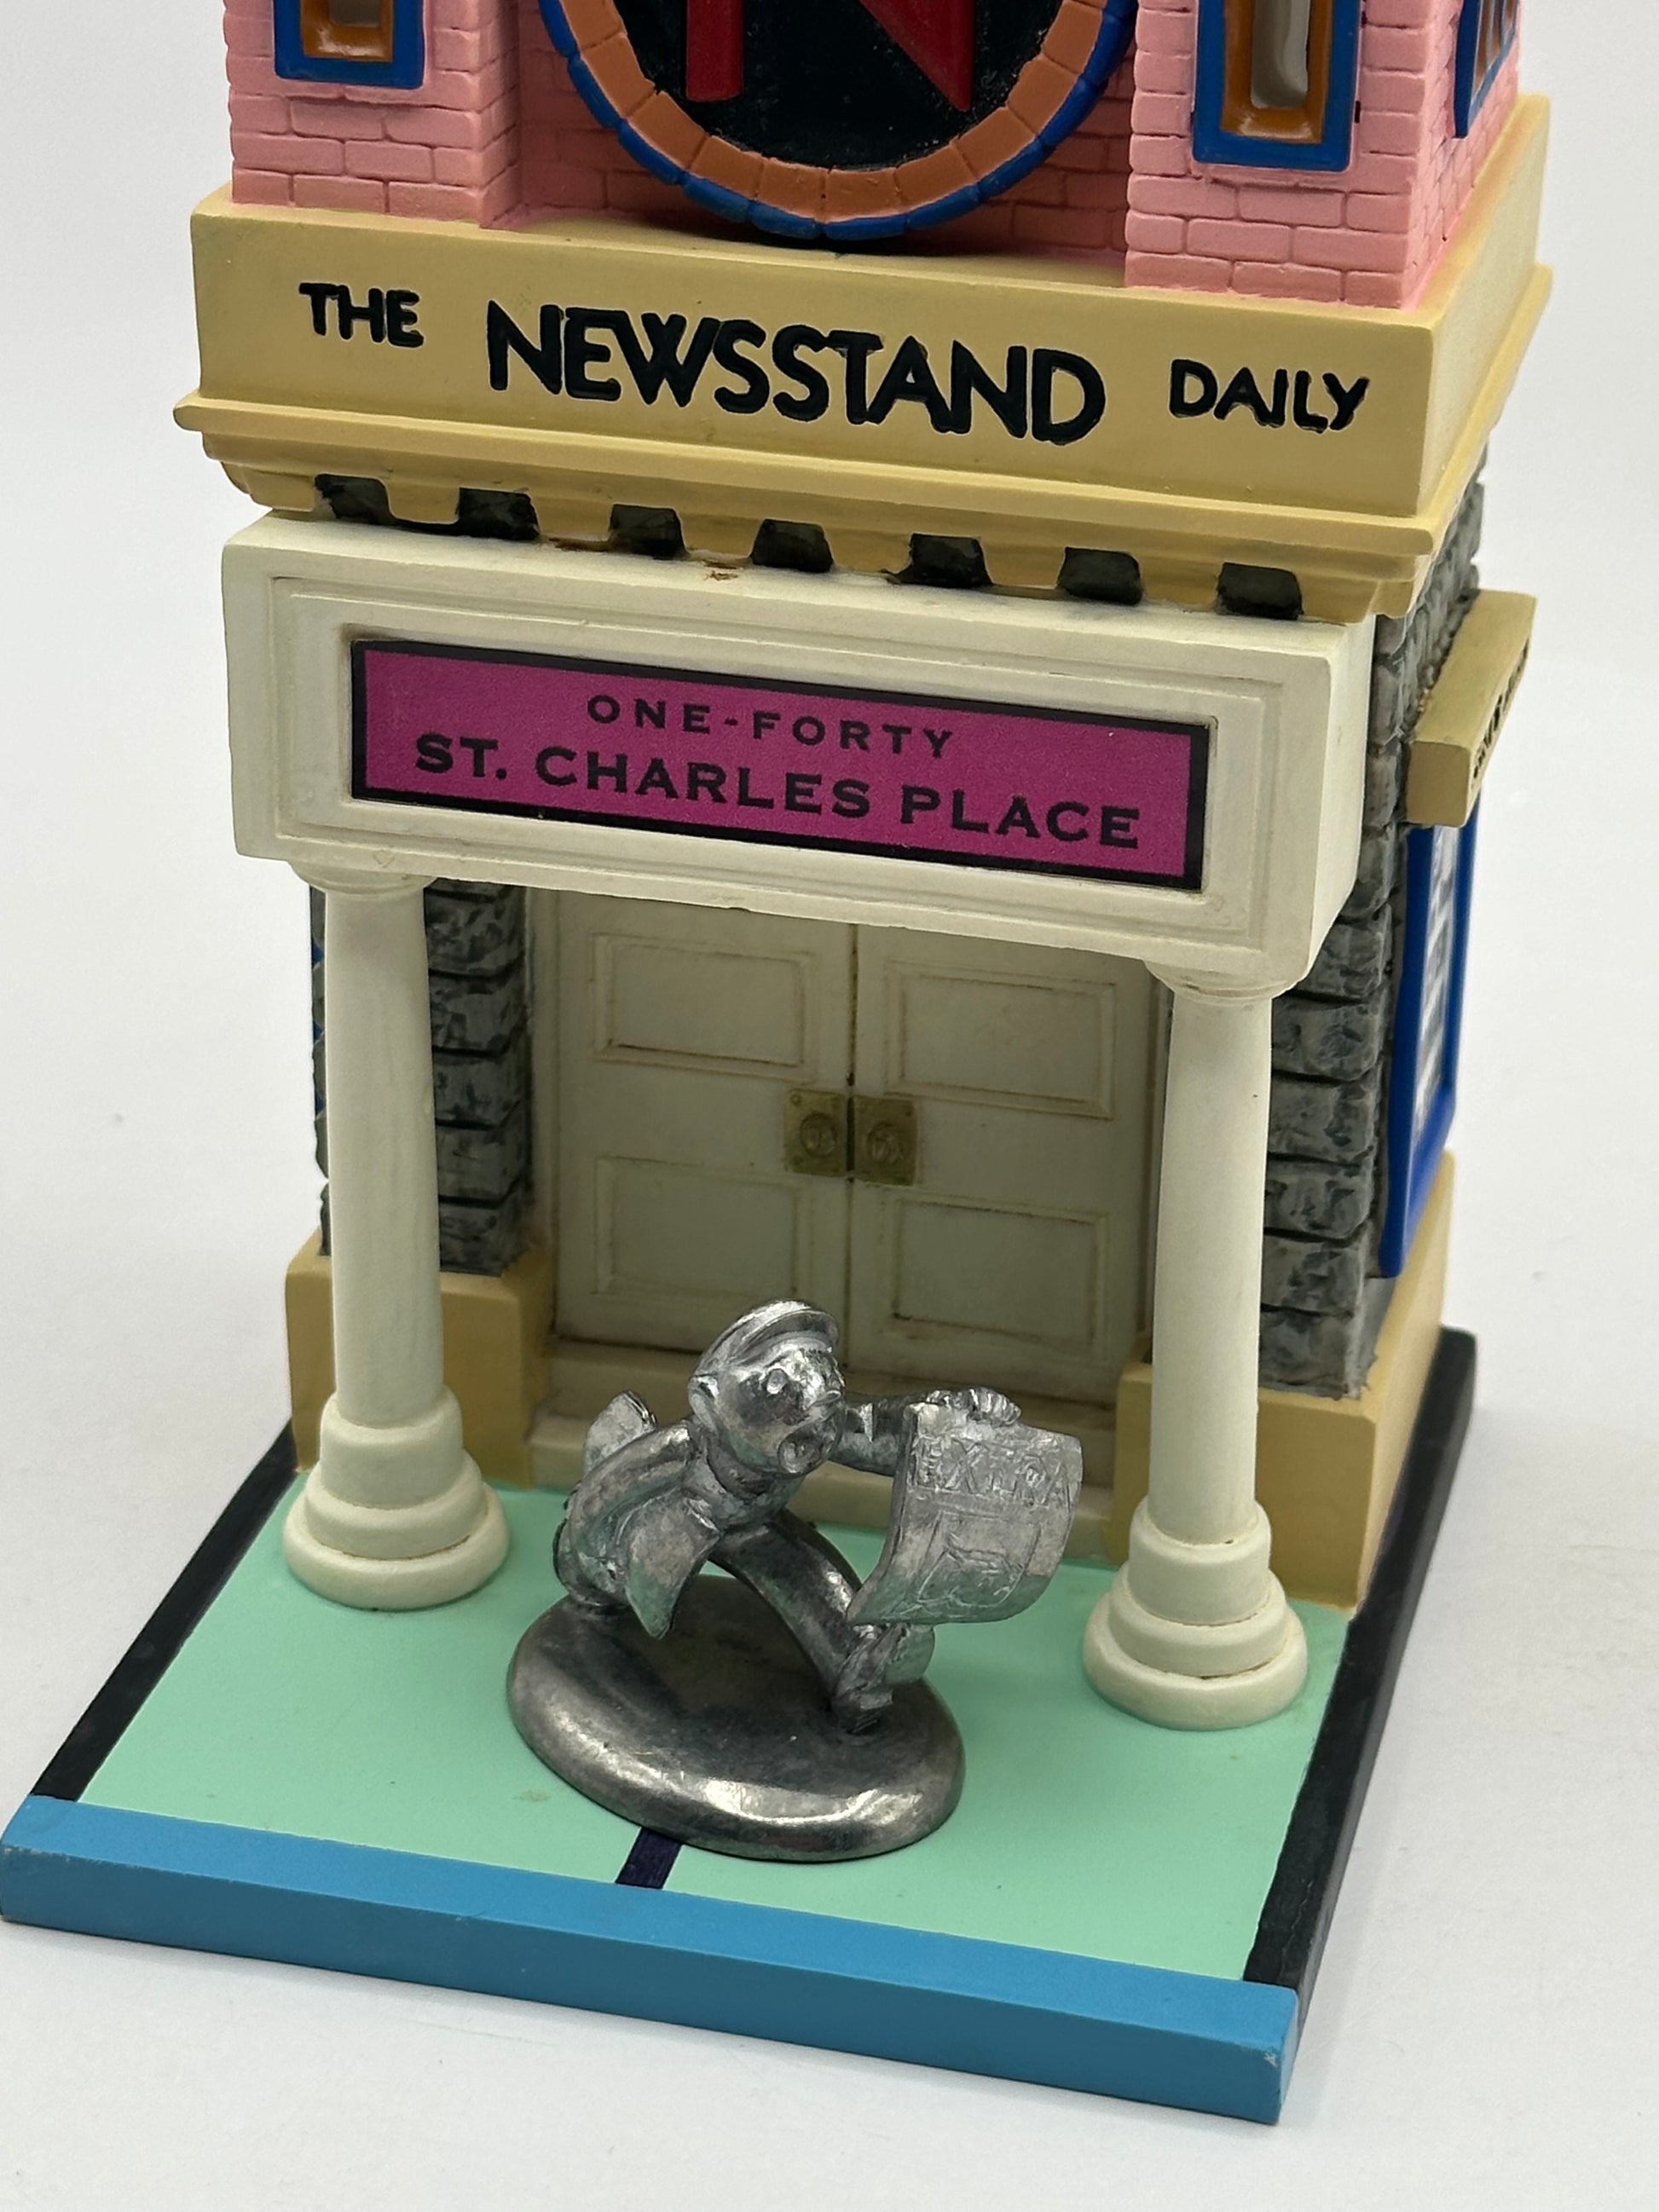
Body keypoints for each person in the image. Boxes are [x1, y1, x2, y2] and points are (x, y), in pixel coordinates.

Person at [554, 1299, 1017, 1727]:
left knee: (812, 1581)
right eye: (777, 1381)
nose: (817, 1403)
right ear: (709, 1401)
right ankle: (583, 1577)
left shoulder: (820, 1425)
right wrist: (585, 1544)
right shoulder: (683, 1449)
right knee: (615, 1579)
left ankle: (860, 1672)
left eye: (824, 1369)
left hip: (756, 1528)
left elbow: (883, 1429)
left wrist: (954, 1415)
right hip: (679, 1521)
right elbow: (604, 1492)